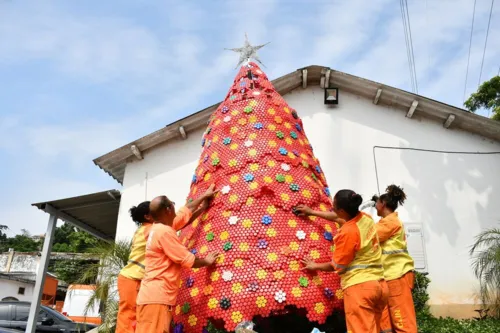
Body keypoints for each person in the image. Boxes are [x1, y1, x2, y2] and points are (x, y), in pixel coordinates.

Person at [297, 190, 388, 333]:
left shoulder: (348, 232)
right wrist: (312, 212)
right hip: (379, 286)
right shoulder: (365, 218)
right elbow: (337, 217)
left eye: (334, 206)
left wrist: (314, 265)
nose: (331, 208)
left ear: (342, 211)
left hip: (360, 288)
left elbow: (338, 266)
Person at [116, 196, 210, 333]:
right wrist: (203, 199)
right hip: (134, 279)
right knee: (128, 319)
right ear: (148, 216)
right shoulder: (154, 230)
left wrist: (201, 208)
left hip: (138, 281)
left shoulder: (151, 228)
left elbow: (182, 220)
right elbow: (181, 219)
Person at [136, 185, 219, 333]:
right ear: (168, 210)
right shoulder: (165, 232)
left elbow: (185, 212)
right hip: (157, 297)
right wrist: (206, 261)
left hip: (150, 296)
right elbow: (187, 259)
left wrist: (202, 201)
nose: (176, 207)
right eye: (173, 204)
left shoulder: (158, 228)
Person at [373, 185, 417, 333]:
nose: (375, 206)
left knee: (402, 321)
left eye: (376, 203)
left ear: (383, 204)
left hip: (396, 275)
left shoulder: (390, 223)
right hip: (389, 276)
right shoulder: (387, 222)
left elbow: (368, 237)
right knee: (386, 323)